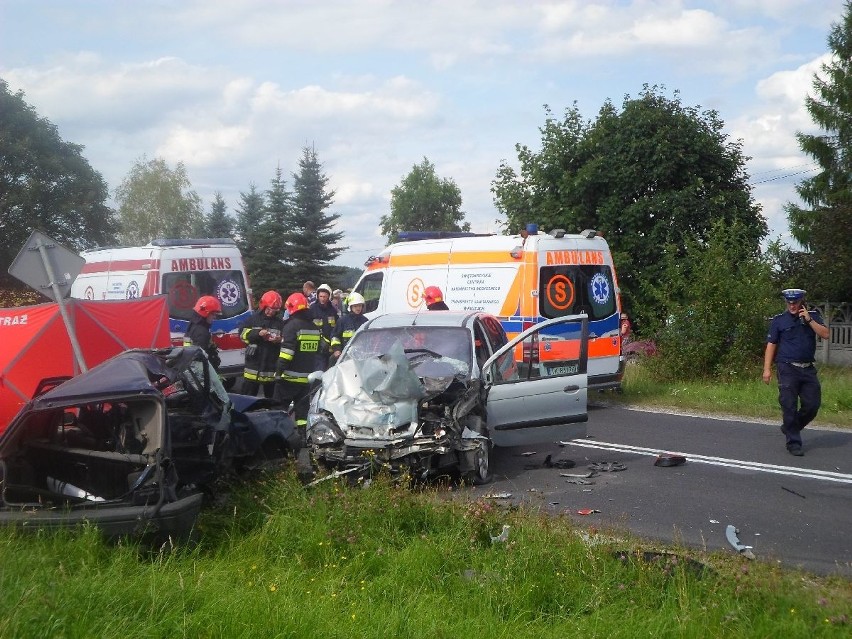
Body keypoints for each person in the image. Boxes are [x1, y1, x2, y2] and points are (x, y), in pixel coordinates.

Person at [763, 288, 830, 456]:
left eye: (795, 302)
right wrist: (767, 369)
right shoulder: (779, 320)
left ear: (801, 302)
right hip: (787, 367)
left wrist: (809, 321)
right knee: (789, 406)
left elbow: (826, 334)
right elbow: (771, 345)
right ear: (786, 302)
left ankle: (790, 427)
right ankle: (793, 442)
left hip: (807, 368)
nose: (792, 306)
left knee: (812, 405)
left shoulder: (812, 316)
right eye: (789, 303)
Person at [274, 292, 321, 434]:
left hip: (289, 378)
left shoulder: (291, 326)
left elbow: (286, 354)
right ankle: (303, 436)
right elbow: (318, 351)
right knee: (303, 411)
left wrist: (278, 371)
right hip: (306, 378)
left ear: (292, 308)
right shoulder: (314, 328)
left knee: (279, 408)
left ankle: (280, 435)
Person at [237, 290, 284, 398]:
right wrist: (257, 333)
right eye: (269, 309)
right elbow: (242, 334)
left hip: (270, 368)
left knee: (271, 402)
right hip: (253, 368)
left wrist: (279, 340)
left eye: (274, 310)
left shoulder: (279, 323)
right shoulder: (253, 319)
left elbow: (285, 341)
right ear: (263, 306)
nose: (271, 312)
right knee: (247, 401)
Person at [183, 295, 222, 370]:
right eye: (213, 314)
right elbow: (200, 359)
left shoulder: (193, 326)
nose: (214, 317)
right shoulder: (202, 332)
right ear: (205, 313)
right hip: (203, 372)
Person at [330, 292, 368, 362]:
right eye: (355, 306)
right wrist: (337, 350)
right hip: (344, 356)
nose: (358, 308)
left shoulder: (365, 321)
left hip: (361, 356)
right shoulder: (343, 321)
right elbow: (335, 337)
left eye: (359, 306)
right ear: (350, 307)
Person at [310, 283, 338, 370]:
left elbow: (336, 328)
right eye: (320, 296)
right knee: (319, 369)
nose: (322, 299)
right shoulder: (312, 309)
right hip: (317, 347)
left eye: (324, 296)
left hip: (330, 347)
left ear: (329, 297)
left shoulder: (333, 310)